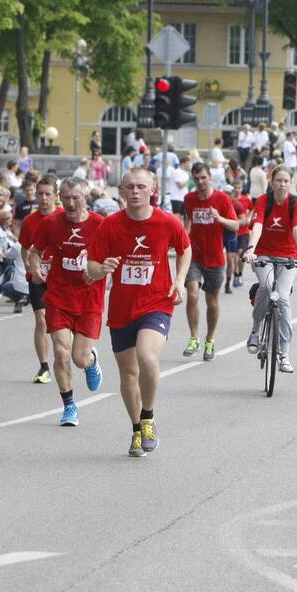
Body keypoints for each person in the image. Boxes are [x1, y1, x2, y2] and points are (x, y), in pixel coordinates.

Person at [86, 167, 192, 458]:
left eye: (141, 187)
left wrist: (179, 281)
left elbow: (185, 248)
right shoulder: (109, 225)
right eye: (129, 187)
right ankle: (135, 429)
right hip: (122, 309)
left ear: (153, 189)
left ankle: (148, 417)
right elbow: (91, 267)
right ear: (121, 192)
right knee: (128, 372)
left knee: (147, 356)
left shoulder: (167, 222)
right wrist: (102, 268)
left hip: (157, 303)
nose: (135, 192)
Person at [27, 177, 106, 426]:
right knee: (61, 353)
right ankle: (69, 406)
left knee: (78, 358)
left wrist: (99, 271)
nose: (70, 203)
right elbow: (35, 252)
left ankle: (91, 360)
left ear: (85, 198)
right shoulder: (51, 223)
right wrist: (36, 268)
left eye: (76, 198)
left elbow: (113, 259)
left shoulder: (100, 225)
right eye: (66, 197)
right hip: (59, 296)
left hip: (89, 299)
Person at [243, 165, 297, 373]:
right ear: (272, 182)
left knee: (282, 298)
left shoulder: (295, 203)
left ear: (291, 183)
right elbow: (258, 227)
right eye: (278, 180)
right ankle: (255, 331)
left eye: (285, 181)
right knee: (266, 285)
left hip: (288, 256)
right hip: (262, 253)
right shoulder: (264, 200)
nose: (282, 184)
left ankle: (284, 353)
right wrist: (251, 249)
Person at [181, 162, 238, 361]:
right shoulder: (189, 198)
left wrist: (219, 218)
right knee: (193, 293)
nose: (200, 182)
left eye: (203, 178)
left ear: (210, 177)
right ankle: (194, 337)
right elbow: (187, 223)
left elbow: (235, 225)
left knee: (212, 302)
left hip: (215, 258)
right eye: (196, 179)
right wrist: (182, 241)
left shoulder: (222, 199)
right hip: (194, 255)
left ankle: (210, 339)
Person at [19, 175, 59, 383]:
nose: (43, 198)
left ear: (56, 196)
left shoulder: (64, 216)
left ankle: (65, 355)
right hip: (37, 277)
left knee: (61, 323)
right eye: (40, 194)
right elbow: (25, 249)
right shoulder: (29, 221)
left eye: (47, 194)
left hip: (62, 278)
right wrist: (30, 267)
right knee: (41, 320)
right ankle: (44, 367)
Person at [229, 184, 253, 289]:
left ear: (242, 188)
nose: (237, 189)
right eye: (236, 187)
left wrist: (249, 217)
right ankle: (235, 274)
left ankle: (240, 275)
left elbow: (253, 209)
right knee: (233, 256)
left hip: (244, 231)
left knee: (241, 253)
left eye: (239, 187)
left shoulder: (246, 199)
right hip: (233, 232)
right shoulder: (231, 201)